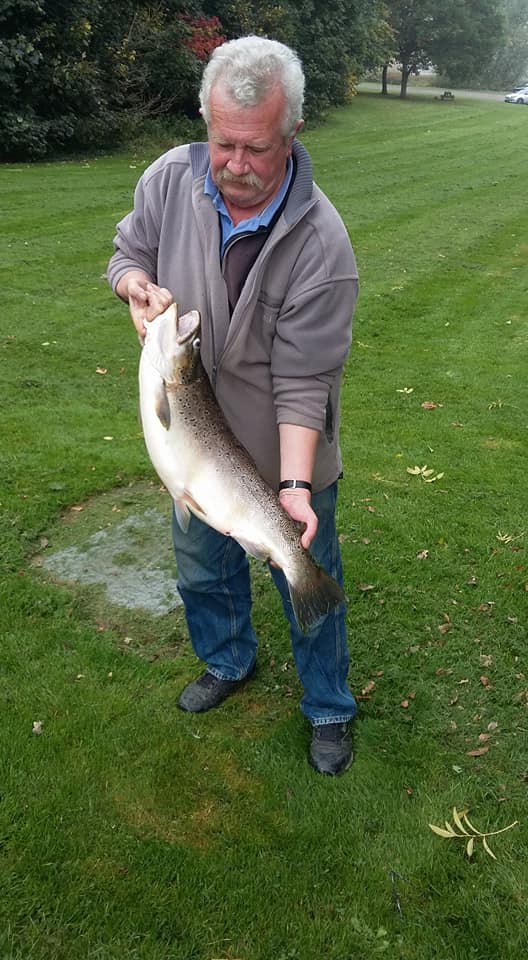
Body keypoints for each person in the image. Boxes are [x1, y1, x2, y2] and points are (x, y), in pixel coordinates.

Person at [108, 35, 359, 776]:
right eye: (223, 144)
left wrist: (292, 488)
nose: (237, 165)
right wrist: (133, 288)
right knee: (201, 567)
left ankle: (329, 706)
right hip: (196, 451)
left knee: (301, 565)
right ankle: (227, 659)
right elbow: (127, 255)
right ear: (203, 123)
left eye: (256, 149)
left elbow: (305, 381)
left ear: (292, 135)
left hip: (287, 447)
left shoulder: (323, 244)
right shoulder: (166, 179)